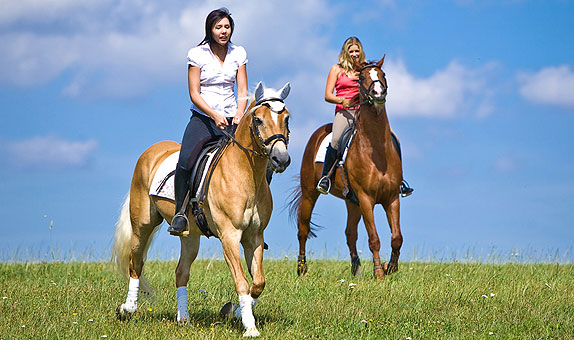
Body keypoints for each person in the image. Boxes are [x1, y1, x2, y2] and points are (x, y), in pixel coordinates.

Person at [168, 7, 248, 235]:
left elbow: (242, 89)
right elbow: (194, 93)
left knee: (258, 159)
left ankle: (254, 217)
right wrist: (213, 114)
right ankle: (180, 213)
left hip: (234, 118)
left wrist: (240, 112)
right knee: (185, 162)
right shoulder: (197, 54)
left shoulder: (238, 53)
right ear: (210, 29)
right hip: (204, 119)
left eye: (227, 27)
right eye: (218, 27)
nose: (224, 31)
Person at [316, 36, 414, 197]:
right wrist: (342, 100)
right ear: (346, 52)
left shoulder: (365, 69)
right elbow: (327, 95)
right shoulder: (336, 69)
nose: (354, 54)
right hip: (345, 111)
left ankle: (400, 181)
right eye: (351, 51)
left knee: (393, 138)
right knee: (336, 139)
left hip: (364, 112)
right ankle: (325, 178)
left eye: (357, 51)